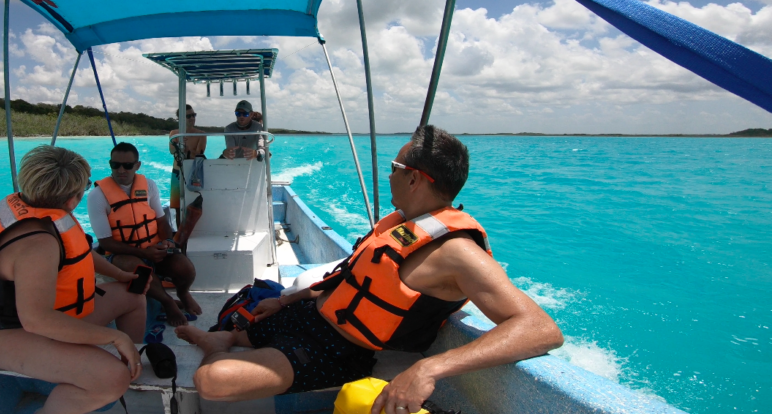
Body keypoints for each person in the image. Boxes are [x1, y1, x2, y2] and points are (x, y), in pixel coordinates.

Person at [175, 125, 564, 407]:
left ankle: (221, 348)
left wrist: (429, 370)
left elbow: (540, 329)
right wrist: (287, 301)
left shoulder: (456, 251)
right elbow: (354, 277)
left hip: (338, 349)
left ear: (414, 179)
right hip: (312, 315)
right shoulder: (399, 226)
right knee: (245, 329)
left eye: (395, 167)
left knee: (212, 380)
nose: (389, 173)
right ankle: (224, 340)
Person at [0, 145, 148, 414]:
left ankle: (132, 365)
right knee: (110, 378)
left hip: (48, 317)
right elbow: (36, 320)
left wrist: (120, 275)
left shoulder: (38, 205)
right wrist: (115, 337)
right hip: (1, 333)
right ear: (72, 199)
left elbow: (78, 251)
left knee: (132, 294)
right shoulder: (37, 245)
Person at [88, 142, 203, 326]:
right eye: (115, 165)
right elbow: (106, 243)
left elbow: (160, 221)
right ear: (110, 164)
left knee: (185, 267)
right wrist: (145, 254)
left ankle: (183, 293)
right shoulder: (97, 196)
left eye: (127, 165)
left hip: (153, 248)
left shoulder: (148, 186)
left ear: (137, 165)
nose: (121, 170)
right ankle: (167, 302)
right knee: (136, 267)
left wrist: (166, 242)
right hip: (122, 255)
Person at [168, 104, 207, 229]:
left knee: (192, 203)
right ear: (181, 119)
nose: (192, 118)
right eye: (189, 116)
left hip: (192, 174)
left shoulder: (201, 134)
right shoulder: (174, 134)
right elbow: (172, 151)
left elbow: (199, 154)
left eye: (193, 115)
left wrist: (187, 149)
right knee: (176, 205)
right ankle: (179, 231)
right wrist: (179, 145)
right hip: (177, 173)